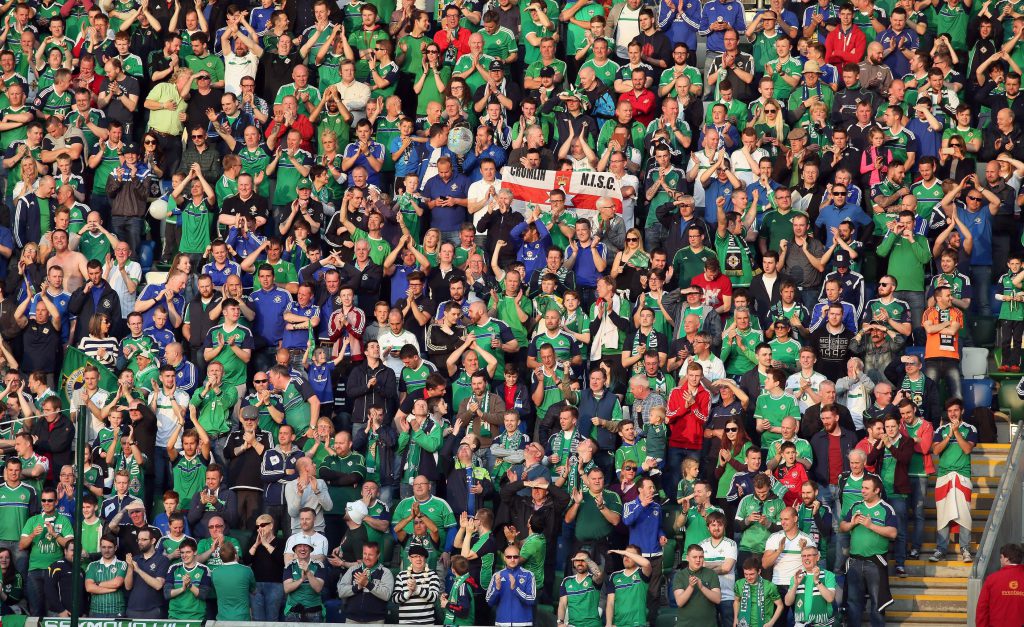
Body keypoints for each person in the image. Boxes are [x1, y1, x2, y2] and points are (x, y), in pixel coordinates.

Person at [840, 475, 897, 627]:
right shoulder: (856, 506)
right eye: (862, 487)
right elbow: (842, 527)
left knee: (877, 604)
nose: (862, 491)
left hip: (875, 562)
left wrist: (871, 526)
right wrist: (851, 524)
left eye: (866, 488)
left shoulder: (886, 508)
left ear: (877, 490)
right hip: (854, 561)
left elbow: (893, 533)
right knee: (853, 602)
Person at [930, 398, 977, 563]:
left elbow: (967, 449)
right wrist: (949, 434)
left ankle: (965, 549)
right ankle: (941, 549)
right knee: (943, 514)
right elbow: (935, 450)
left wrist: (956, 432)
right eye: (950, 411)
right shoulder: (941, 430)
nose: (953, 414)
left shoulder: (970, 429)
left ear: (962, 411)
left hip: (962, 476)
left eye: (956, 410)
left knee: (964, 514)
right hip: (944, 476)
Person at [976, 543, 1024, 626]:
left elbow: (982, 608)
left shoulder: (992, 579)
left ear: (1006, 559)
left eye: (1001, 557)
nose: (1000, 560)